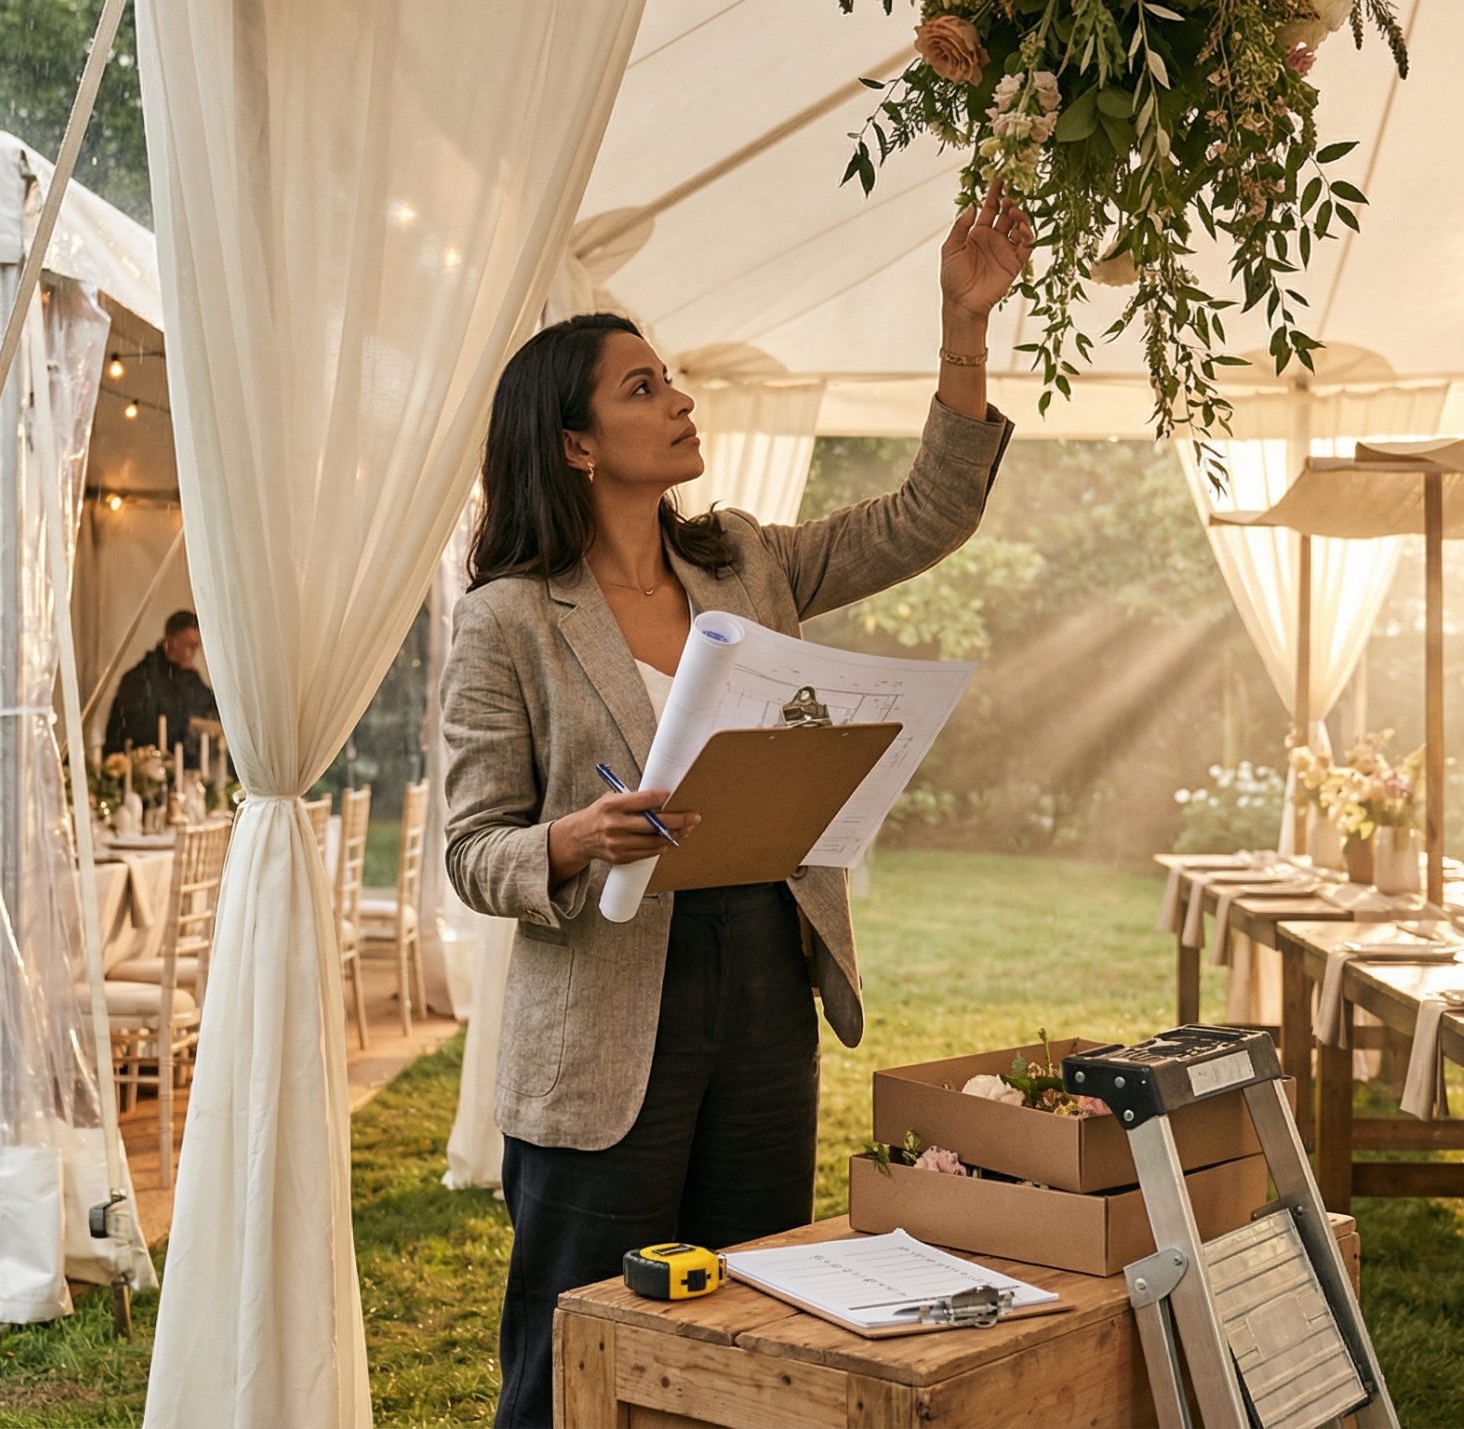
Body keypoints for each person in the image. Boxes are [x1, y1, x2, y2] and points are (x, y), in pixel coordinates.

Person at [442, 184, 1032, 1427]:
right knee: (574, 1337)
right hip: (608, 1003)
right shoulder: (507, 619)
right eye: (642, 388)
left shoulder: (748, 560)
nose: (680, 400)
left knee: (752, 1315)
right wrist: (570, 840)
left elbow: (930, 513)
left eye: (671, 380)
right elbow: (470, 846)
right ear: (574, 445)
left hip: (766, 971)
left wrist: (963, 324)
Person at [104, 609, 219, 767]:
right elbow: (138, 729)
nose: (193, 652)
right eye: (189, 645)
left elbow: (208, 709)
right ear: (170, 640)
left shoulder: (190, 677)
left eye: (196, 646)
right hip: (142, 766)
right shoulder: (140, 678)